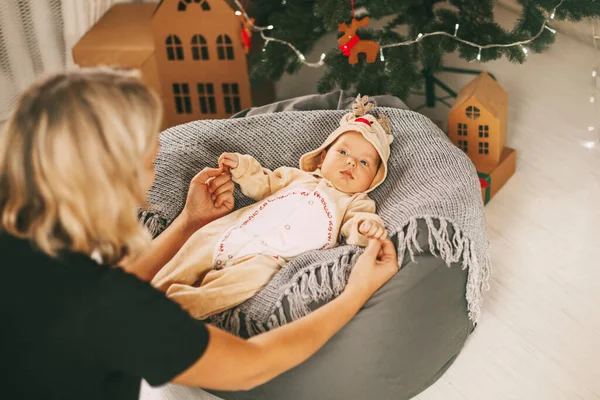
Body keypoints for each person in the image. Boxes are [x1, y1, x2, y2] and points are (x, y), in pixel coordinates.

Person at [0, 68, 398, 400]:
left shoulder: (22, 234)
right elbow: (250, 366)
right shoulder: (110, 310)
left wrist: (190, 220)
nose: (156, 174)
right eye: (152, 161)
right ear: (110, 182)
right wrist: (356, 293)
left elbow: (104, 287)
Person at [152, 95, 394, 319]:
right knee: (191, 253)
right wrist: (243, 167)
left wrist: (366, 227)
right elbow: (263, 183)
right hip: (230, 231)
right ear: (322, 157)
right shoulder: (295, 177)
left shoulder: (355, 202)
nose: (351, 162)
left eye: (364, 162)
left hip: (268, 259)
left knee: (244, 282)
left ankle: (183, 307)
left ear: (373, 179)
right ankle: (145, 295)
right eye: (342, 152)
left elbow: (357, 223)